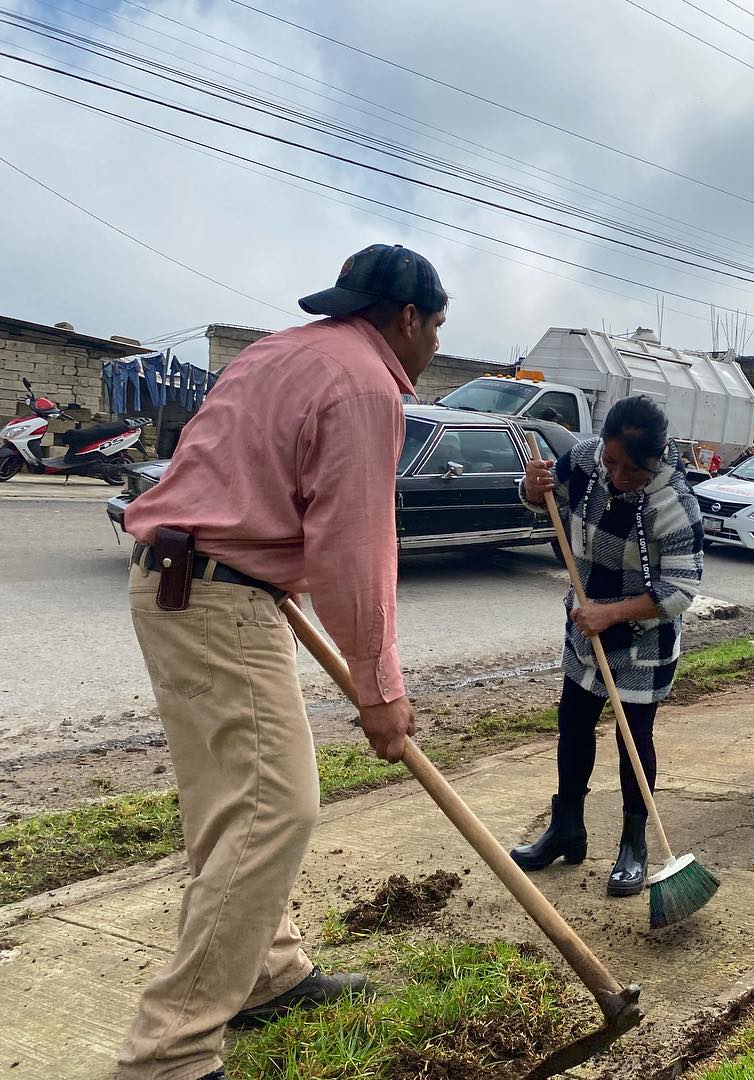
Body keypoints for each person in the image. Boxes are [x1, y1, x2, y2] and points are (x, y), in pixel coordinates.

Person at [118, 244, 447, 1080]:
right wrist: (379, 687)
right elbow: (356, 546)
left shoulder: (279, 349)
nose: (437, 345)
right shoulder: (366, 385)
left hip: (186, 583)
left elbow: (242, 473)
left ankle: (268, 972)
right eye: (438, 326)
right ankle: (171, 1052)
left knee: (233, 804)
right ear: (407, 319)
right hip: (220, 595)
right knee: (275, 810)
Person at [510, 396, 704, 896]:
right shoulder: (585, 458)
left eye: (631, 469)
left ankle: (633, 845)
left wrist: (612, 613)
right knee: (573, 723)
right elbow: (548, 500)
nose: (617, 475)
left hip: (643, 640)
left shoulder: (674, 504)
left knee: (632, 738)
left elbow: (681, 590)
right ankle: (566, 829)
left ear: (655, 459)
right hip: (586, 622)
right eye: (612, 462)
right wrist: (533, 489)